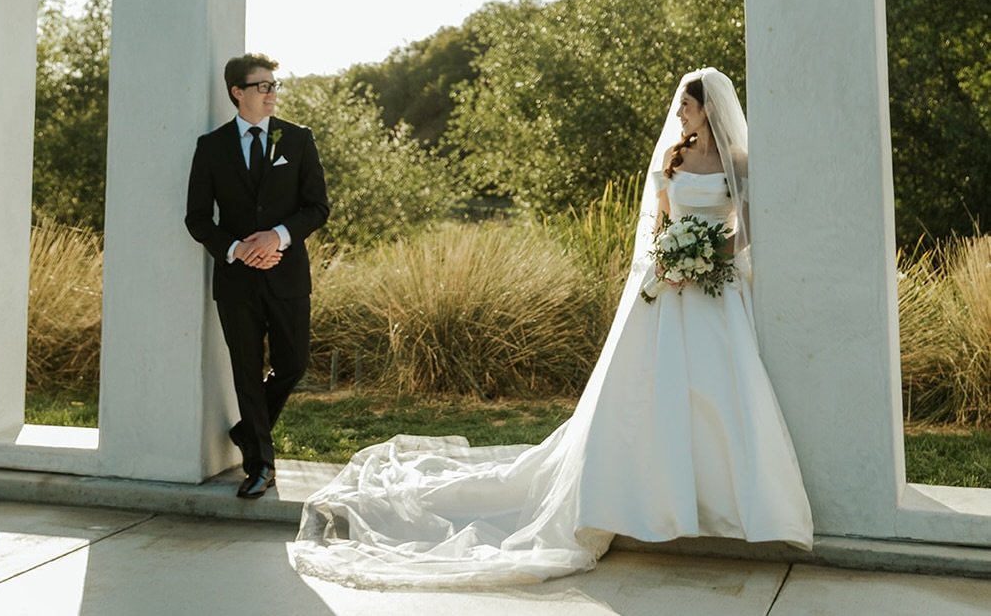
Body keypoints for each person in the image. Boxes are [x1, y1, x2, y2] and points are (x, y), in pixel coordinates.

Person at [291, 67, 811, 586]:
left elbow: (748, 228)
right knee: (651, 391)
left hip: (714, 291)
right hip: (667, 287)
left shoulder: (739, 163)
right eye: (679, 107)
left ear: (710, 109)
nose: (678, 115)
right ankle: (648, 502)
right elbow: (659, 225)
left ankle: (723, 505)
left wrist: (706, 256)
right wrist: (672, 259)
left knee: (718, 393)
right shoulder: (673, 158)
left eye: (686, 107)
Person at [186, 52, 329, 499]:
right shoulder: (211, 147)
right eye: (262, 86)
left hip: (287, 276)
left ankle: (249, 430)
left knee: (294, 363)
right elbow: (197, 218)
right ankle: (261, 466)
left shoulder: (298, 139)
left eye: (273, 86)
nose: (271, 93)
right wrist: (237, 250)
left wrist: (277, 237)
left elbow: (317, 207)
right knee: (246, 371)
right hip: (236, 282)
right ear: (238, 92)